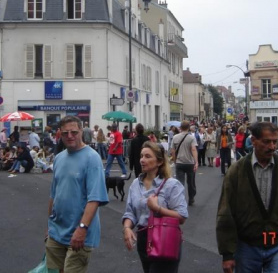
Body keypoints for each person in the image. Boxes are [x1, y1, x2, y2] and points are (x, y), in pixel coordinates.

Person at [216, 122, 278, 273]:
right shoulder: (237, 171)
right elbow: (226, 212)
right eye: (266, 141)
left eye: (275, 142)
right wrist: (227, 254)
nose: (272, 147)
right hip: (247, 245)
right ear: (254, 140)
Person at [45, 116, 108, 273]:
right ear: (60, 133)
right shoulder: (59, 158)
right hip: (56, 232)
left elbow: (94, 199)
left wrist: (82, 228)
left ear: (81, 131)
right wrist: (49, 226)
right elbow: (54, 195)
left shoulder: (92, 158)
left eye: (74, 132)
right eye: (65, 133)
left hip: (79, 233)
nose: (70, 136)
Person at [122, 141, 188, 273]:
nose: (142, 160)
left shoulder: (172, 185)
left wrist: (158, 209)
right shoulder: (136, 184)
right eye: (141, 156)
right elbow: (130, 212)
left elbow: (181, 216)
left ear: (159, 162)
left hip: (164, 238)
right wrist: (127, 228)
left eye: (148, 156)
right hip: (143, 239)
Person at [171, 121, 198, 206]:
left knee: (180, 182)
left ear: (180, 127)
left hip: (179, 162)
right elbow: (193, 149)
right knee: (191, 182)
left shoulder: (175, 137)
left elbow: (173, 151)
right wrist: (196, 161)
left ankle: (180, 199)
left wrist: (175, 160)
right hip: (190, 162)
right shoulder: (191, 138)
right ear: (188, 128)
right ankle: (191, 198)